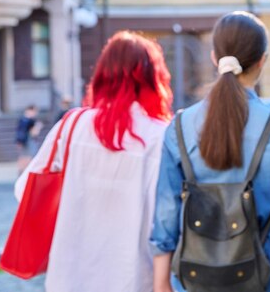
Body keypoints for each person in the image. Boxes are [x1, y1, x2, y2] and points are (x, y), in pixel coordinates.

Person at [150, 12, 270, 292]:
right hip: (268, 280)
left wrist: (160, 284)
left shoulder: (179, 126)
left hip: (194, 280)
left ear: (215, 58)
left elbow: (166, 215)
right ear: (262, 61)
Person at [14, 31, 173, 292]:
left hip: (69, 275)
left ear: (102, 74)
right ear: (151, 77)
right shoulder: (160, 136)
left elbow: (24, 190)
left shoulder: (72, 125)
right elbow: (165, 221)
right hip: (133, 276)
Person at [15, 105, 39, 173]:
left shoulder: (22, 120)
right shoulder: (31, 121)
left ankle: (21, 172)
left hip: (22, 141)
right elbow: (33, 133)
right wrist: (38, 127)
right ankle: (26, 172)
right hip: (28, 141)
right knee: (28, 157)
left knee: (22, 157)